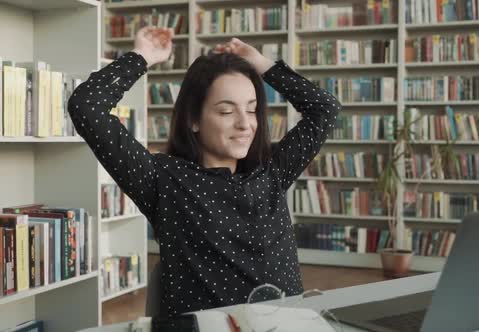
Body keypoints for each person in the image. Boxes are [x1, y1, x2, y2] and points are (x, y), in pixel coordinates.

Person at [67, 26, 341, 317]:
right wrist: (143, 55)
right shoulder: (163, 180)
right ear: (193, 119)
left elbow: (325, 109)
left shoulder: (271, 172)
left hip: (286, 324)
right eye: (226, 111)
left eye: (251, 109)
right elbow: (86, 106)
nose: (245, 124)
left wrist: (261, 64)